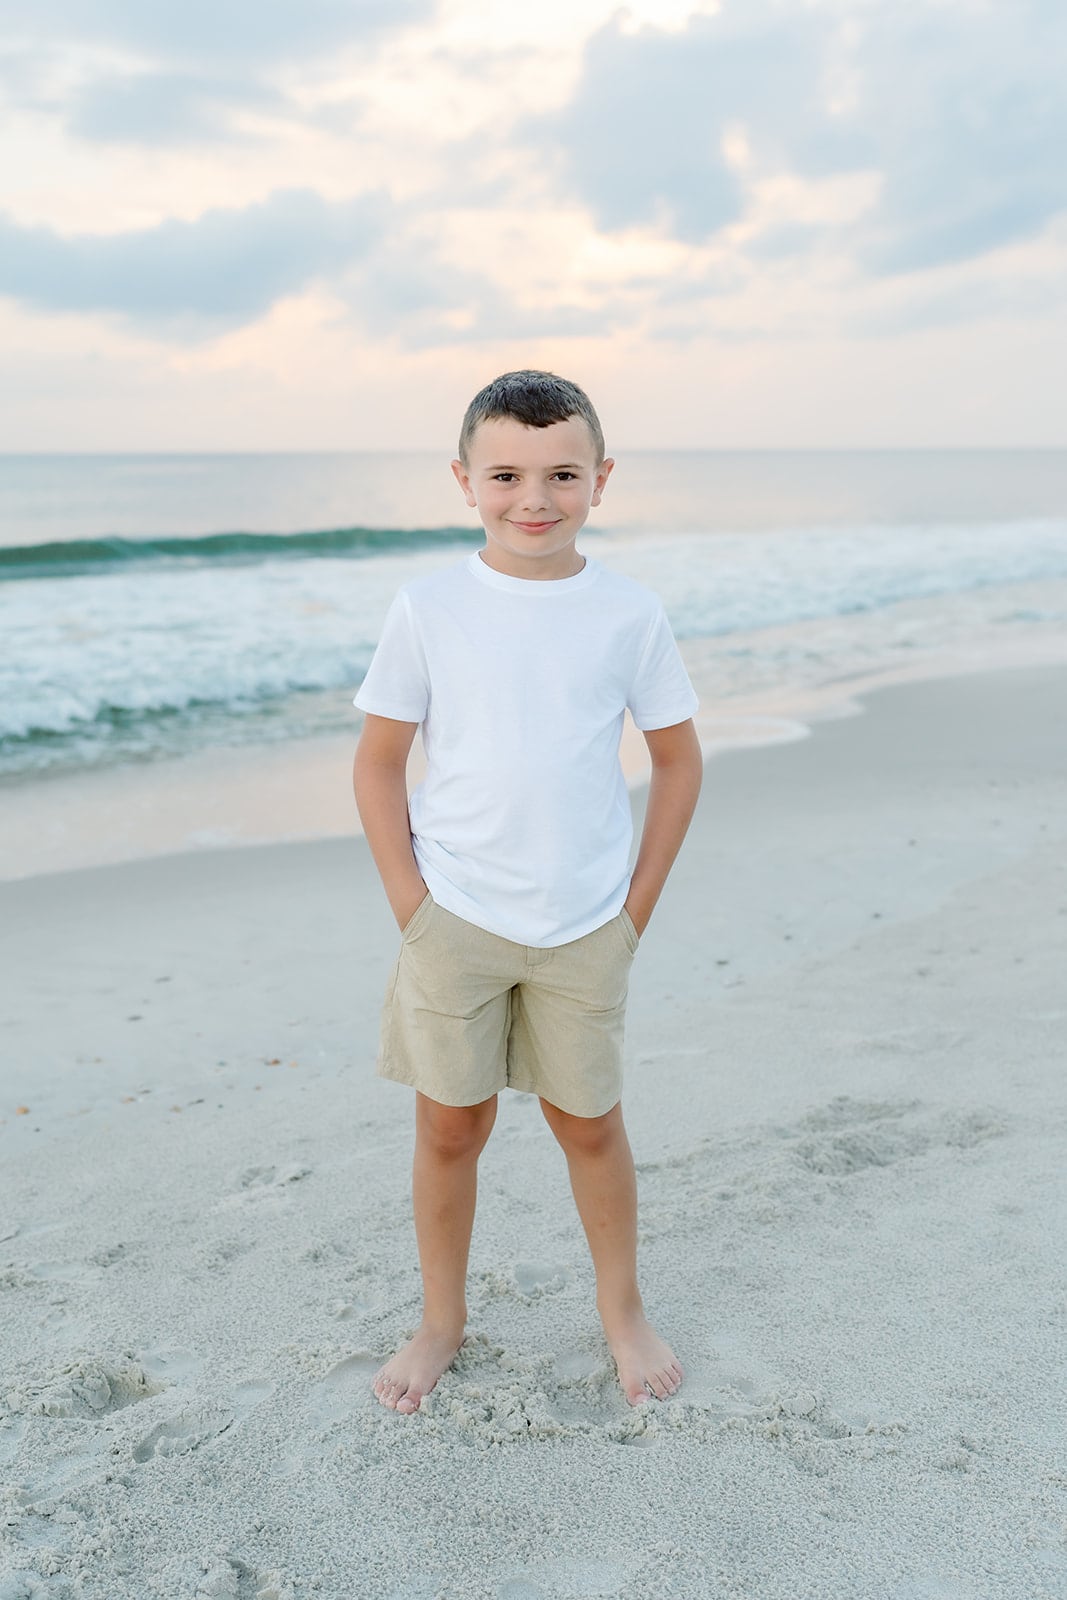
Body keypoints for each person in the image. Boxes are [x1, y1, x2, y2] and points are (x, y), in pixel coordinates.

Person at [352, 369, 702, 1415]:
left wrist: (633, 911)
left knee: (588, 1123)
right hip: (452, 918)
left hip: (586, 924)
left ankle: (622, 1312)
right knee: (449, 1126)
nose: (533, 498)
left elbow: (677, 763)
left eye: (561, 473)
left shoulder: (628, 613)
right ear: (464, 480)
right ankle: (440, 1320)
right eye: (505, 474)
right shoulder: (429, 607)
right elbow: (377, 763)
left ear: (601, 477)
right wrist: (410, 905)